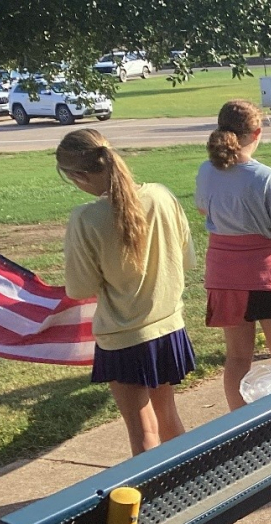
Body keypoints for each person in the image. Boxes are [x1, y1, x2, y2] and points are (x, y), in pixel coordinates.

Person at [58, 129, 197, 456]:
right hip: (168, 327)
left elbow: (80, 288)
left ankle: (155, 488)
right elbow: (187, 259)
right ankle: (189, 479)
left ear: (79, 176)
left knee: (142, 430)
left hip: (123, 338)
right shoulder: (161, 195)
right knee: (168, 417)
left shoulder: (86, 218)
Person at [197, 99, 271, 411]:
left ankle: (239, 420)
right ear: (257, 133)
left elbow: (203, 209)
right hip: (265, 272)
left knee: (237, 356)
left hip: (224, 273)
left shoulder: (206, 170)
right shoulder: (265, 177)